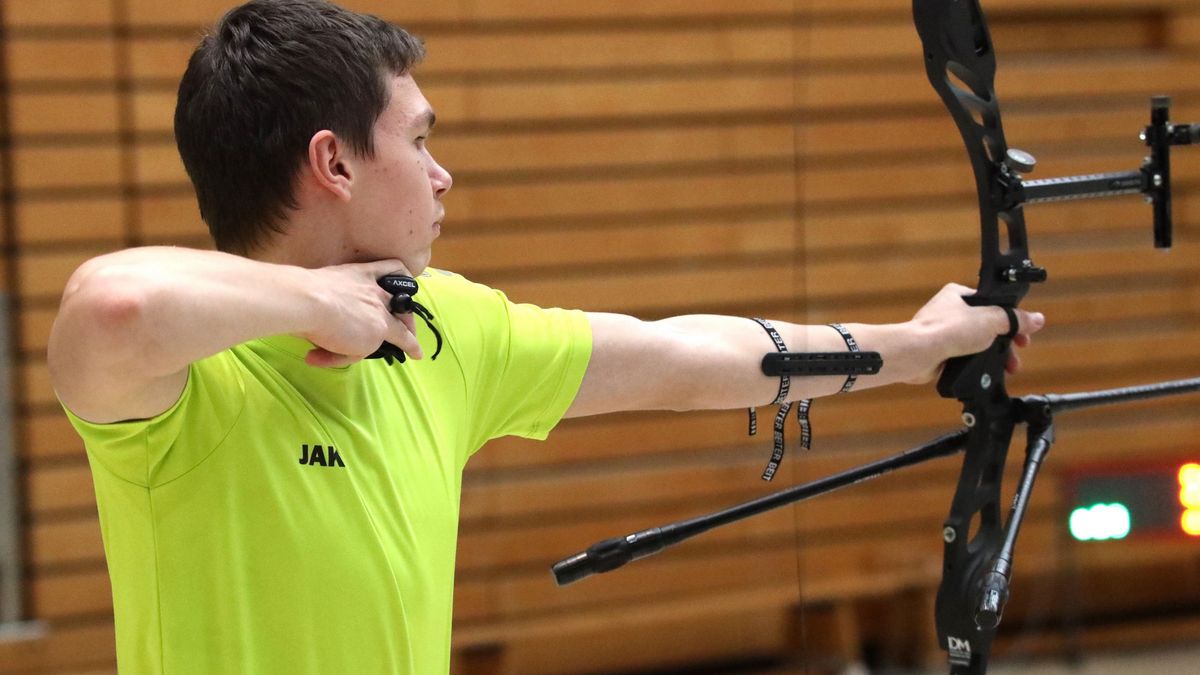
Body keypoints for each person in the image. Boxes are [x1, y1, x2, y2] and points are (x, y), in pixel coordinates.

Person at [46, 0, 1044, 672]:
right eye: (421, 140)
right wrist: (314, 307)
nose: (441, 177)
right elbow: (110, 304)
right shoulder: (184, 382)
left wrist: (915, 346)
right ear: (334, 164)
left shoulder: (440, 332)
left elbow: (691, 357)